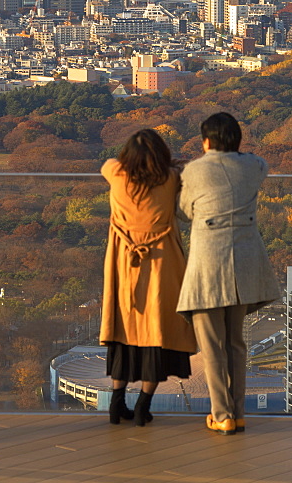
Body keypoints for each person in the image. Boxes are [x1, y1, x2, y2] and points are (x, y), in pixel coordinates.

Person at [176, 112, 279, 436]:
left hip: (209, 261)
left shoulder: (195, 170)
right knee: (236, 342)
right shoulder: (254, 167)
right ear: (237, 140)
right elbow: (258, 160)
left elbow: (184, 212)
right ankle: (238, 412)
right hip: (245, 261)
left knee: (212, 345)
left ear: (207, 141)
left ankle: (221, 414)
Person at [100, 129, 197, 426]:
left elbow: (107, 165)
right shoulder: (170, 179)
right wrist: (173, 166)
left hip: (123, 260)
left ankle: (117, 403)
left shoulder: (116, 174)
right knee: (157, 327)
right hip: (160, 260)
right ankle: (144, 405)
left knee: (124, 328)